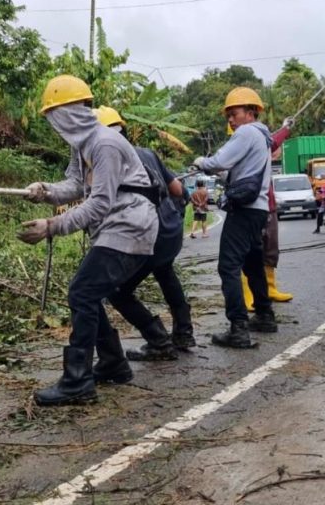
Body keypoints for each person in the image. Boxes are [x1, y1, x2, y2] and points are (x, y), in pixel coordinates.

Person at [19, 76, 158, 406]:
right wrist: (46, 191)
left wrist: (52, 226)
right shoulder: (82, 145)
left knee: (82, 291)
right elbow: (75, 185)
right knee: (88, 292)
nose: (54, 124)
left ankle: (77, 381)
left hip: (130, 225)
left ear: (69, 112)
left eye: (54, 116)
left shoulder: (105, 143)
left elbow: (99, 203)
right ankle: (112, 363)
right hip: (116, 226)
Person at [94, 105, 196, 359]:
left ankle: (158, 341)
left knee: (116, 290)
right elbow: (177, 190)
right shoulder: (146, 153)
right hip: (170, 231)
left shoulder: (106, 162)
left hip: (146, 235)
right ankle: (184, 332)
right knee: (164, 270)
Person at [193, 87, 275, 348]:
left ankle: (238, 328)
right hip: (259, 209)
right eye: (228, 115)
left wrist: (201, 162)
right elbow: (234, 172)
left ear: (250, 112)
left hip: (244, 209)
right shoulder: (263, 137)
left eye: (234, 113)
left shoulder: (247, 132)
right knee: (252, 264)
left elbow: (219, 161)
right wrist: (218, 172)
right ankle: (264, 315)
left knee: (228, 266)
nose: (230, 120)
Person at [242, 119, 296, 310]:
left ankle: (270, 288)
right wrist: (286, 128)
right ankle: (248, 293)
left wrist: (285, 128)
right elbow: (272, 142)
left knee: (271, 249)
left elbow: (273, 143)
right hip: (251, 206)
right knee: (250, 251)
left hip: (269, 206)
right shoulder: (246, 144)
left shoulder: (264, 153)